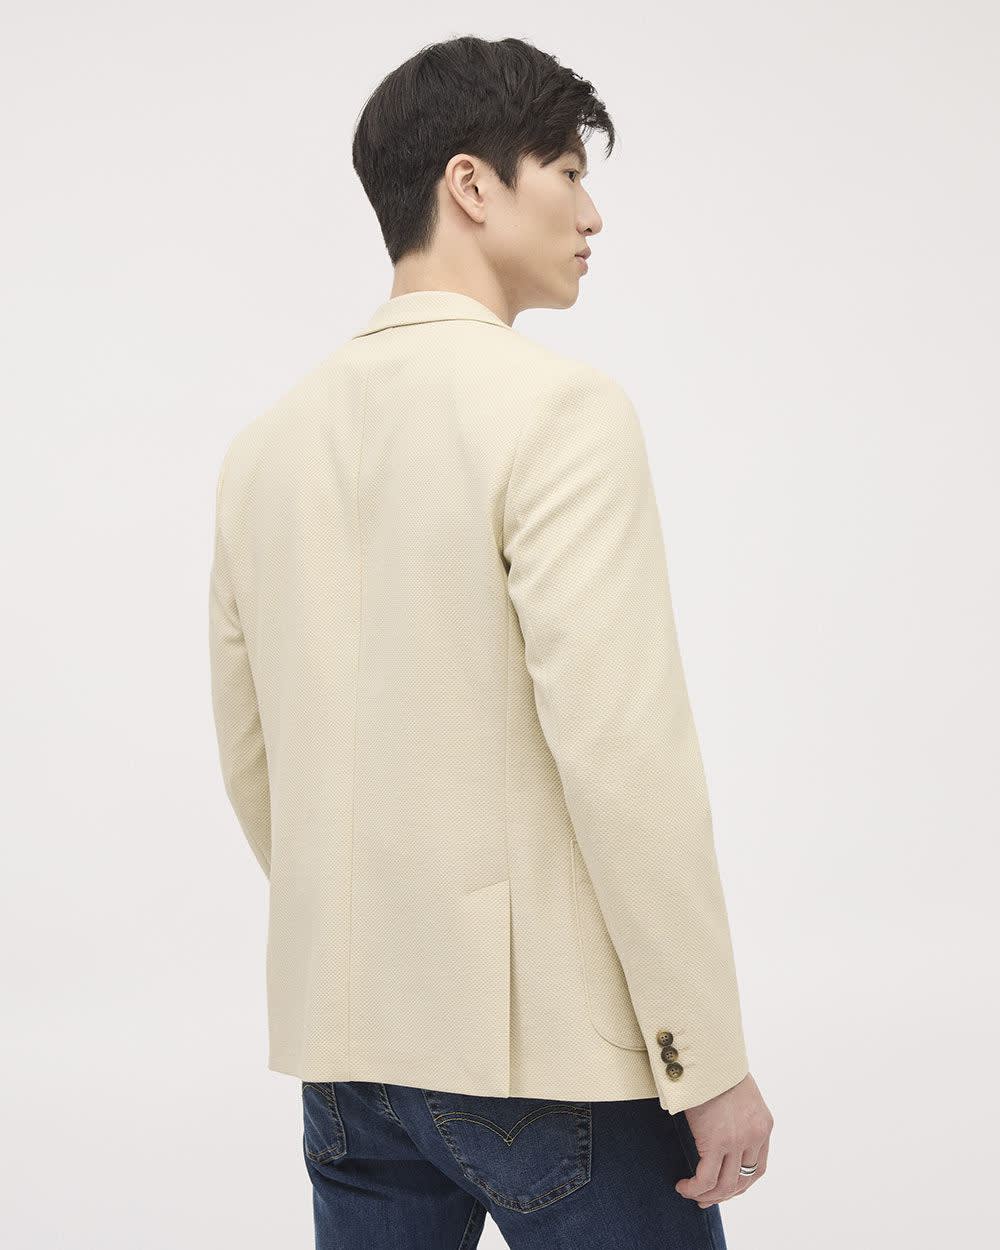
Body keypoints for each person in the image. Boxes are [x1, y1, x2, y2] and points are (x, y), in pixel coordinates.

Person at [209, 33, 773, 1250]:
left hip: (348, 1057)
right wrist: (703, 1053)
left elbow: (257, 758)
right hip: (551, 1061)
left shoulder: (264, 448)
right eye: (567, 172)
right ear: (470, 183)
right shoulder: (558, 409)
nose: (592, 213)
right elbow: (621, 756)